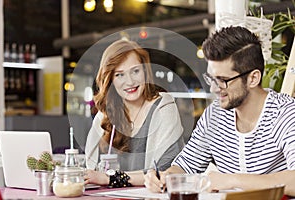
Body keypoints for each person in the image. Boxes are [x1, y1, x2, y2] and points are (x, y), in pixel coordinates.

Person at [144, 26, 295, 196]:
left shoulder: (286, 113)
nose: (214, 88)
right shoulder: (214, 115)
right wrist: (166, 177)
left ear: (253, 78)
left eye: (222, 80)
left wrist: (231, 180)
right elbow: (186, 165)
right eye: (211, 78)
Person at [84, 39, 185, 187]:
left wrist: (109, 179)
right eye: (119, 75)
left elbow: (163, 172)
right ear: (110, 80)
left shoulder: (163, 107)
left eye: (135, 71)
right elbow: (92, 169)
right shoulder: (106, 114)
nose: (130, 82)